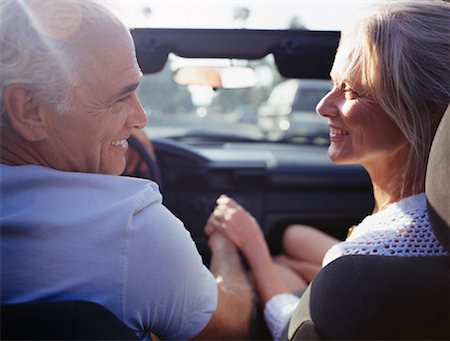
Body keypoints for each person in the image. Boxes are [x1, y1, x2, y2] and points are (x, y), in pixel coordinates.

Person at [0, 0, 254, 340]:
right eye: (121, 98)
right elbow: (231, 327)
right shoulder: (130, 228)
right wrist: (226, 246)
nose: (141, 118)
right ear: (29, 110)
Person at [205, 0, 450, 339]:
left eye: (353, 91)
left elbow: (289, 329)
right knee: (293, 240)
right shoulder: (428, 227)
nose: (323, 106)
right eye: (333, 82)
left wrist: (250, 246)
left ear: (427, 111)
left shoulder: (363, 263)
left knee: (279, 266)